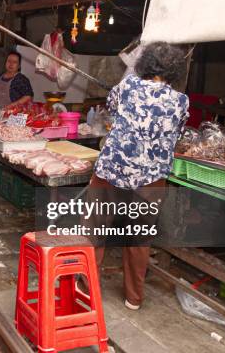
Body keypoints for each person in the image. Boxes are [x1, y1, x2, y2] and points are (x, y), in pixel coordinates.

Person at [88, 42, 189, 310]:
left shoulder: (127, 86)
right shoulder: (181, 101)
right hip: (151, 179)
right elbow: (176, 136)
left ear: (145, 64)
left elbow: (110, 109)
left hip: (113, 171)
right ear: (174, 70)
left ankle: (86, 288)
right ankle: (134, 298)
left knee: (95, 231)